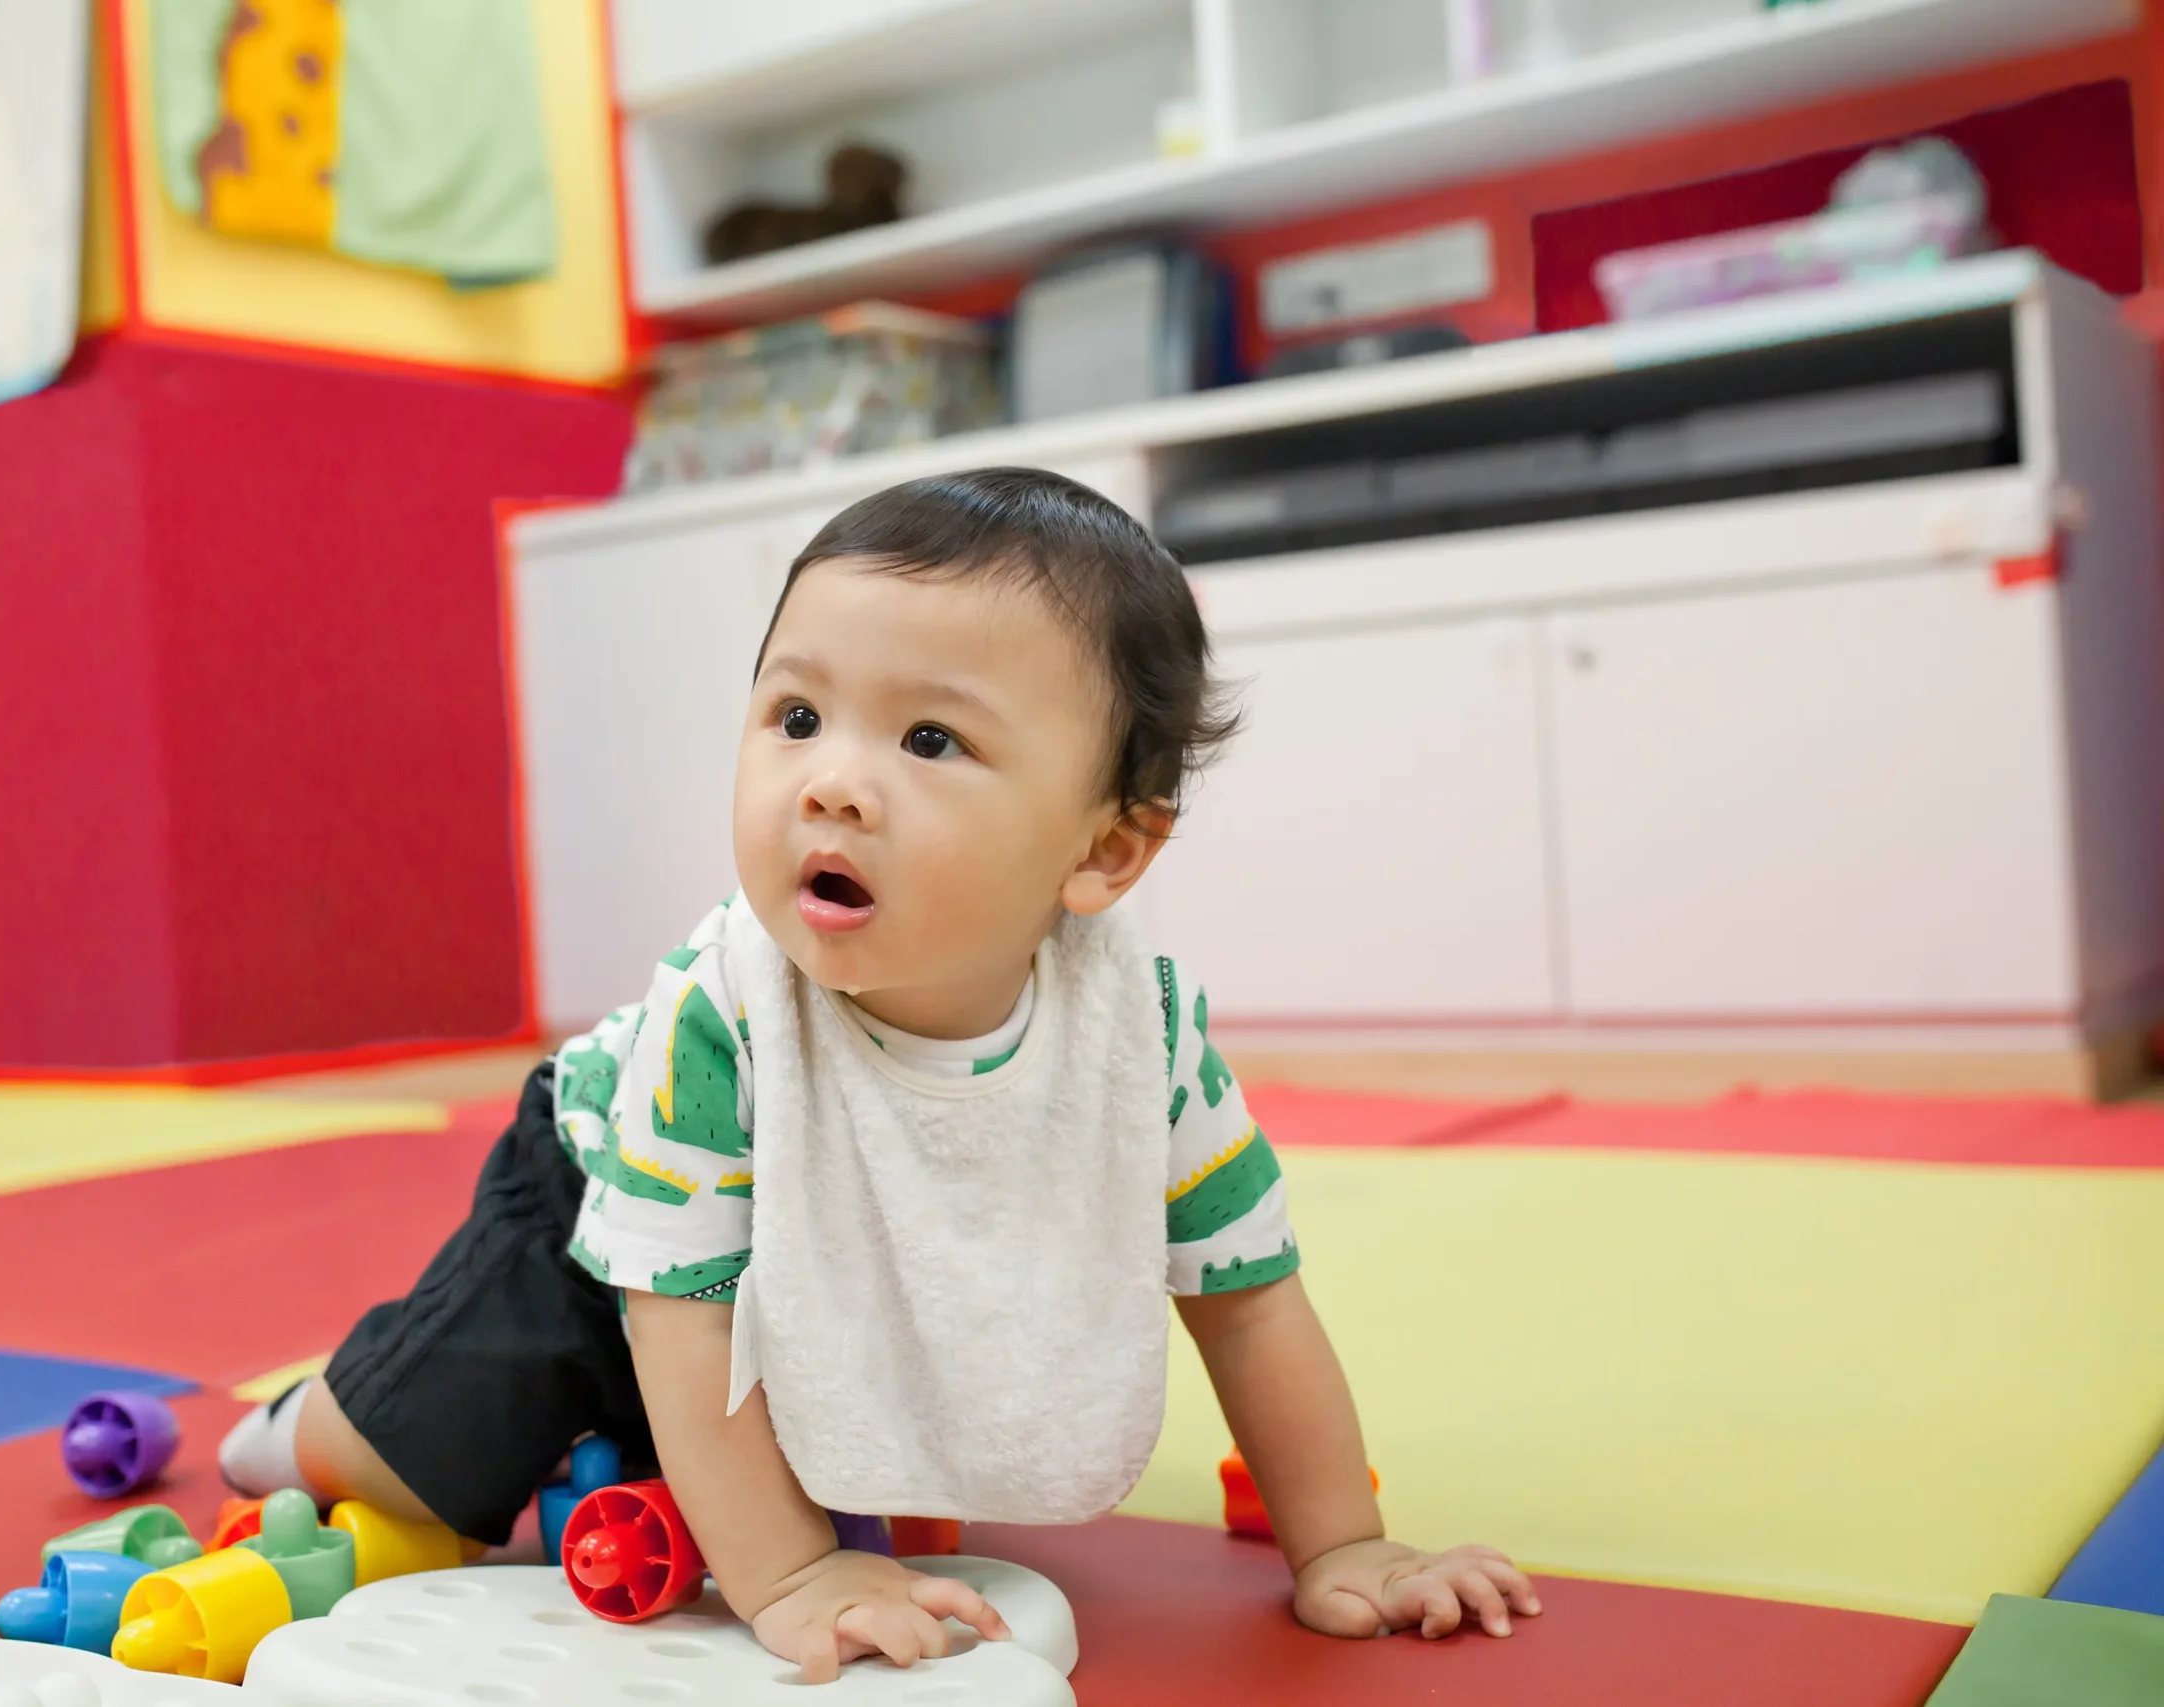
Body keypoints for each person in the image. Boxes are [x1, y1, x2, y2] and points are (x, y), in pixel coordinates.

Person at [220, 467, 1539, 1680]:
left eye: (929, 741)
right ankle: (306, 1415)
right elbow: (682, 1314)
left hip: (789, 1277)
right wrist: (790, 1573)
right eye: (798, 718)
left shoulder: (1140, 1033)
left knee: (752, 1444)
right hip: (591, 1215)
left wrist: (1344, 1544)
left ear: (1106, 851)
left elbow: (1249, 1301)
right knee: (422, 1463)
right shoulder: (718, 1016)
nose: (833, 785)